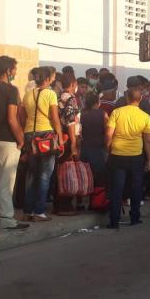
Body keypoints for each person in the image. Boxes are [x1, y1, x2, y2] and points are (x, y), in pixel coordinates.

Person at [0, 56, 28, 231]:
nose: (15, 72)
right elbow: (12, 119)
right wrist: (21, 140)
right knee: (5, 181)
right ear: (8, 71)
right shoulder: (11, 90)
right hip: (6, 140)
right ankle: (5, 219)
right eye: (14, 69)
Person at [105, 88, 150, 229]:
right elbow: (148, 141)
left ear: (126, 98)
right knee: (136, 188)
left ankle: (114, 221)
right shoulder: (145, 117)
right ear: (141, 99)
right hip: (136, 157)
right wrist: (149, 160)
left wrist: (107, 150)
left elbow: (108, 135)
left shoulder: (116, 113)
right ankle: (135, 218)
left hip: (117, 155)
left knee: (117, 188)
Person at [22, 66, 64, 222]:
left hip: (29, 135)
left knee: (33, 175)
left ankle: (28, 211)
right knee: (45, 175)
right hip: (45, 136)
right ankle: (39, 211)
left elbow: (22, 116)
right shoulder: (51, 94)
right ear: (47, 79)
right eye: (52, 77)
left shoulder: (27, 94)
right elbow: (54, 118)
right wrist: (59, 137)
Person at [55, 73, 81, 215]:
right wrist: (73, 143)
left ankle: (58, 205)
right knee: (67, 172)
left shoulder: (58, 97)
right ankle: (65, 206)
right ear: (72, 84)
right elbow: (71, 122)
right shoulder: (70, 99)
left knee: (60, 172)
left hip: (61, 137)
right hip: (68, 138)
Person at [80, 92, 108, 188]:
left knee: (85, 173)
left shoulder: (82, 113)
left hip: (84, 146)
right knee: (99, 174)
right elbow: (107, 129)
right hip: (98, 147)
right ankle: (97, 197)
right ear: (97, 102)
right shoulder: (102, 113)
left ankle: (84, 194)